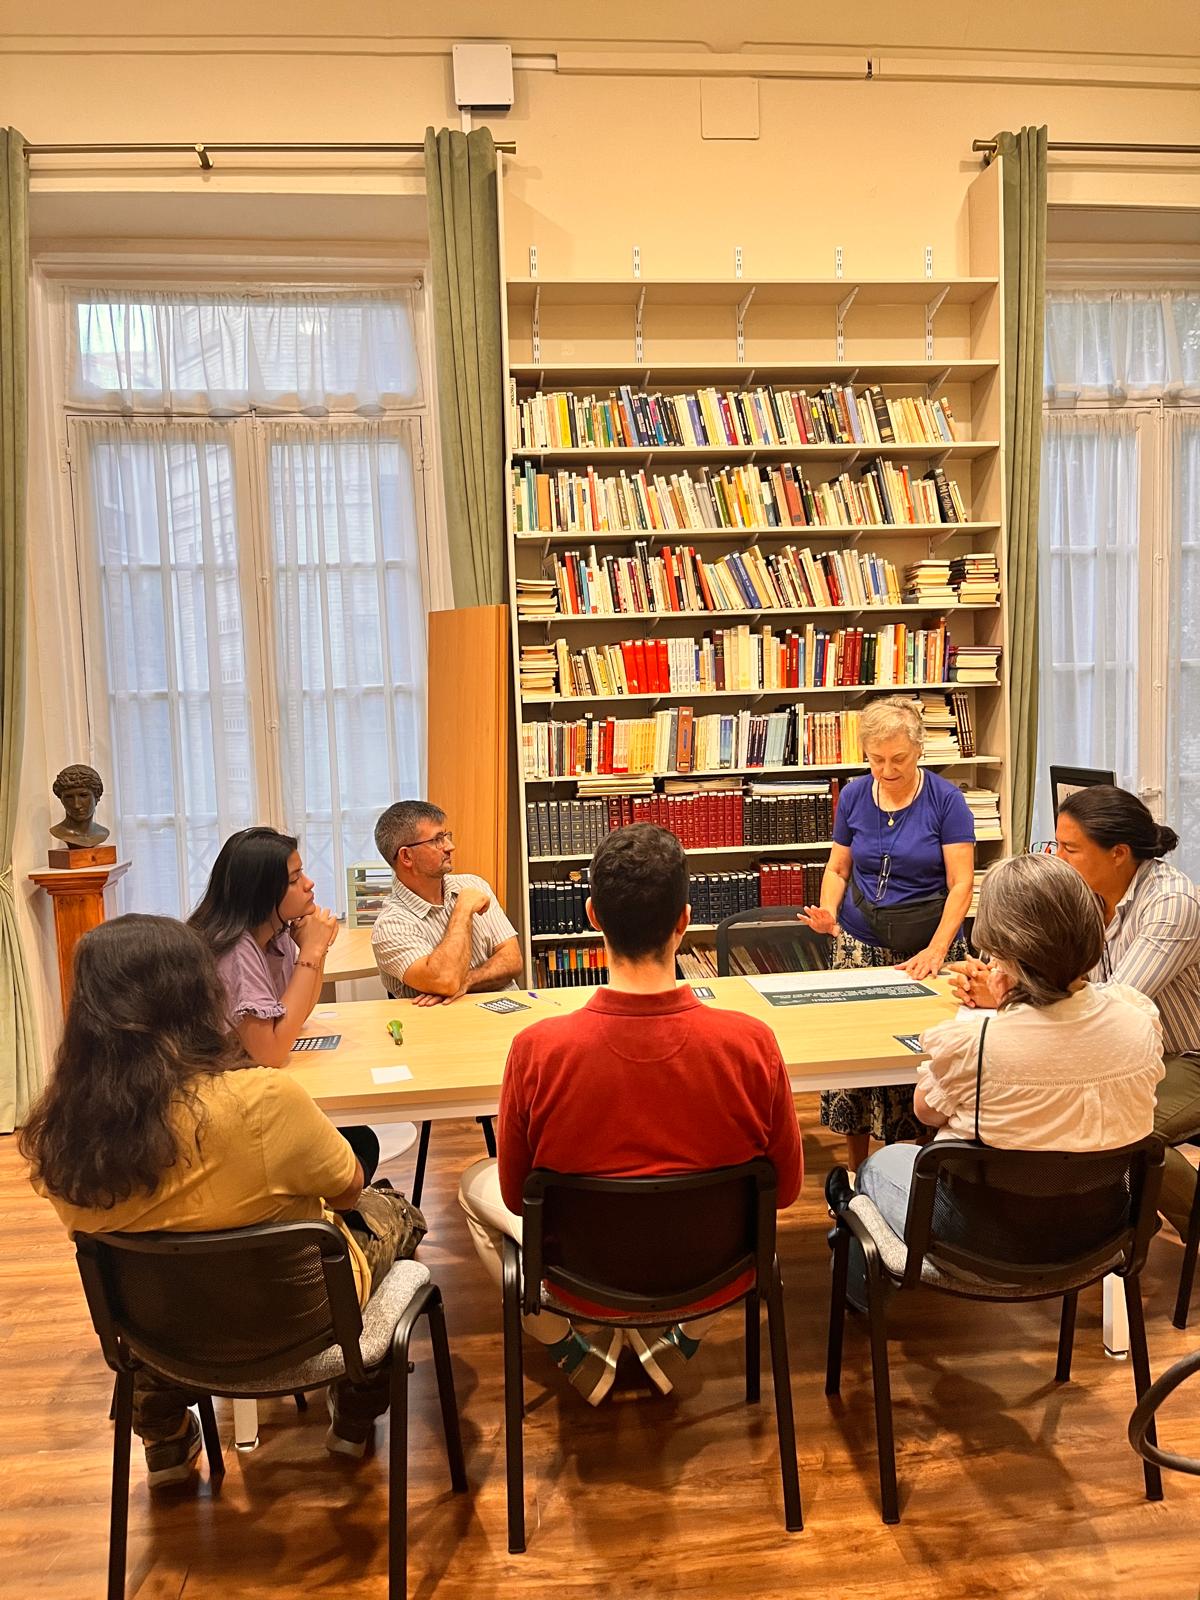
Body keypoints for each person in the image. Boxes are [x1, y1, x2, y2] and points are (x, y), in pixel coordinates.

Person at [20, 916, 427, 1481]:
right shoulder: (261, 1099)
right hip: (294, 1319)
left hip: (160, 1336)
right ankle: (356, 1411)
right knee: (394, 1211)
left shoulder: (61, 1134)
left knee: (150, 1273)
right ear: (199, 996)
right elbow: (348, 1188)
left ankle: (164, 1436)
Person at [458, 824, 804, 1404]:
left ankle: (569, 1348)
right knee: (748, 1211)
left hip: (578, 1275)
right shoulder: (753, 1045)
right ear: (683, 922)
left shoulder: (536, 1051)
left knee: (473, 1183)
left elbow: (517, 1197)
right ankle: (680, 1338)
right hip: (715, 1272)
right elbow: (787, 1191)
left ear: (592, 916)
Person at [837, 852, 1164, 1236]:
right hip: (1100, 1227)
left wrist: (1002, 1009)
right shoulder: (1138, 1019)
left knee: (877, 1167)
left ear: (1003, 951)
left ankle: (849, 1222)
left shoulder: (973, 1045)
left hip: (985, 1236)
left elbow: (925, 1111)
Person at [951, 785, 1200, 1247]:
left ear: (1118, 854)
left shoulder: (1171, 903)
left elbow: (1117, 1004)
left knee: (1126, 1128)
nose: (1058, 859)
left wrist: (1010, 994)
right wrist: (1003, 974)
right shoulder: (1085, 891)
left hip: (1184, 1055)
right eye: (1057, 844)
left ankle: (1167, 1228)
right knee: (1060, 1116)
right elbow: (1065, 981)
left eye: (1070, 848)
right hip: (1118, 1048)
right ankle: (1115, 1223)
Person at [797, 695, 976, 1170]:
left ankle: (917, 1173)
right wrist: (829, 913)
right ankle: (857, 1172)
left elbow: (961, 884)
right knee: (854, 1064)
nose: (886, 770)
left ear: (918, 750)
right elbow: (838, 868)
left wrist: (937, 949)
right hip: (860, 942)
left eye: (898, 759)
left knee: (922, 1065)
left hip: (927, 947)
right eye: (876, 759)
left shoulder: (946, 800)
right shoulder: (855, 795)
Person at [188, 826, 379, 1179]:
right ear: (261, 892)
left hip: (250, 1090)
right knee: (357, 1145)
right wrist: (312, 951)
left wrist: (314, 950)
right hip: (221, 1110)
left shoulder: (274, 935)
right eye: (294, 879)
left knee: (359, 1140)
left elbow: (298, 1014)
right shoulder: (235, 950)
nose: (309, 884)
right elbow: (271, 1053)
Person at [371, 800, 523, 1005]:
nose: (450, 846)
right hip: (445, 1022)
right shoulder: (390, 925)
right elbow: (446, 980)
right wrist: (463, 910)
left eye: (446, 836)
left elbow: (513, 959)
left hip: (510, 1009)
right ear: (406, 856)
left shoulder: (473, 884)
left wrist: (467, 981)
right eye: (437, 840)